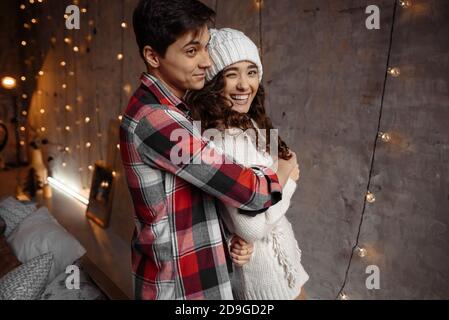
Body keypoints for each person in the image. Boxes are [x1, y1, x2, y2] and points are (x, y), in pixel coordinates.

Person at [120, 0, 297, 300]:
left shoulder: (180, 110)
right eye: (192, 51)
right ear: (152, 56)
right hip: (179, 288)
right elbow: (249, 192)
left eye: (204, 47)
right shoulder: (157, 121)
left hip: (202, 275)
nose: (206, 61)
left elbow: (203, 199)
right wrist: (286, 167)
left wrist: (236, 238)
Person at [186, 28, 309, 300]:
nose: (244, 85)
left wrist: (279, 178)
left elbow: (257, 209)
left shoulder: (247, 123)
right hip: (263, 276)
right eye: (232, 74)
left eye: (251, 72)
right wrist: (287, 177)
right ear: (213, 82)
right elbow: (250, 228)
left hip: (282, 260)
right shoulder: (223, 141)